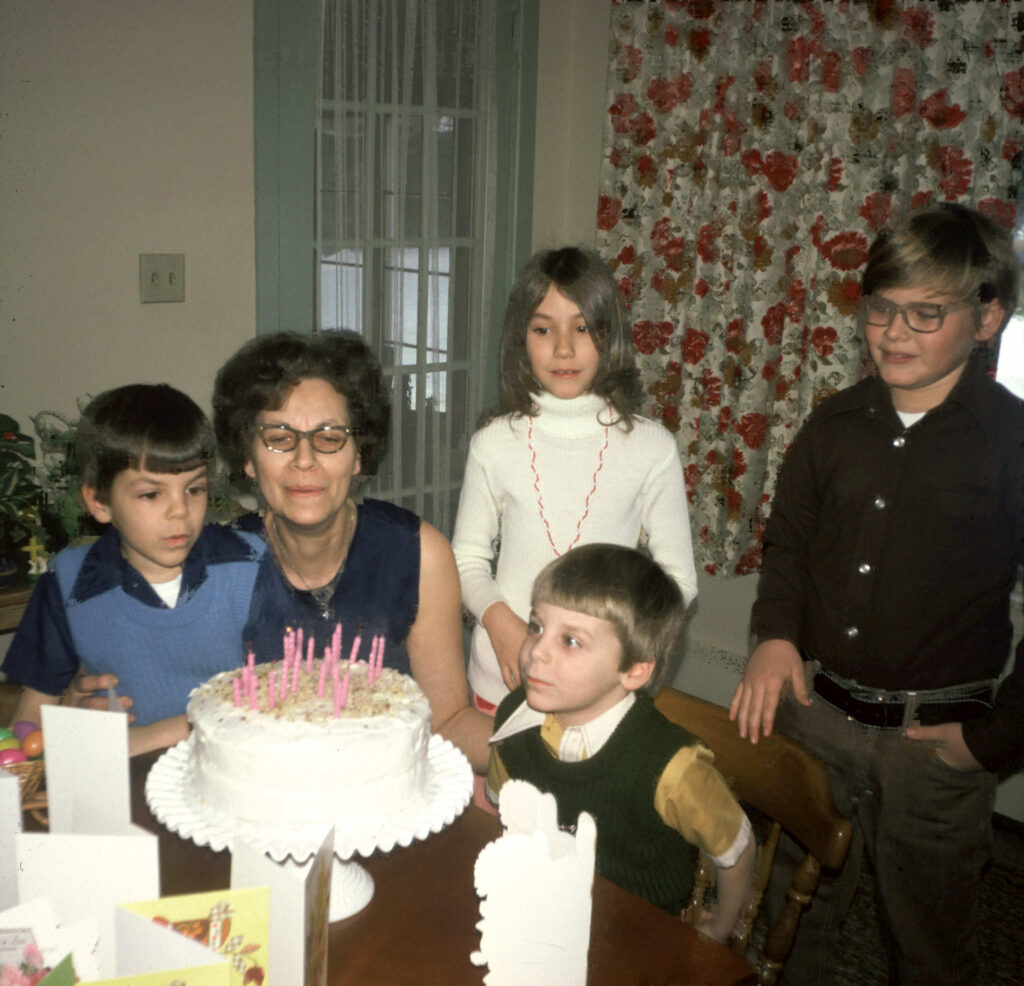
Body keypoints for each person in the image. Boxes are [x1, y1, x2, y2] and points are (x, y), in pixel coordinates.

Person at [729, 202, 1024, 985]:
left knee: (928, 949)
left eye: (926, 314)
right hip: (814, 723)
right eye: (882, 309)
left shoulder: (1012, 445)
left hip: (934, 753)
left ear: (988, 316)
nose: (893, 333)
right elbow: (789, 545)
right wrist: (774, 637)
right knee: (791, 926)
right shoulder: (830, 425)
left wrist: (991, 741)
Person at [210, 330, 491, 771]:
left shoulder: (419, 554)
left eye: (329, 437)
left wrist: (538, 757)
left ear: (359, 455)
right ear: (248, 457)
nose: (305, 460)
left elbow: (449, 721)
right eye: (279, 437)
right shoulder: (220, 567)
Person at [452, 246, 699, 722]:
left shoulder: (651, 448)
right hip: (501, 682)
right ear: (520, 337)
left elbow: (679, 583)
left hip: (598, 693)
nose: (563, 348)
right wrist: (502, 624)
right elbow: (467, 560)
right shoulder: (493, 443)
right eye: (543, 329)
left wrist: (609, 647)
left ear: (610, 335)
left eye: (582, 328)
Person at [487, 543, 754, 942]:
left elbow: (738, 848)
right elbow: (504, 812)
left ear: (633, 671)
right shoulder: (513, 722)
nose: (536, 652)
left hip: (637, 935)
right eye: (537, 626)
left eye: (570, 641)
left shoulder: (671, 768)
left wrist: (719, 927)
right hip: (547, 915)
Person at [2, 384, 266, 755]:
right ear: (99, 501)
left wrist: (136, 741)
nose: (179, 511)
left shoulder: (252, 565)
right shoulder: (68, 583)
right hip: (122, 790)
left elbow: (282, 696)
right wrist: (65, 719)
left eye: (194, 489)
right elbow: (29, 722)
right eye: (151, 494)